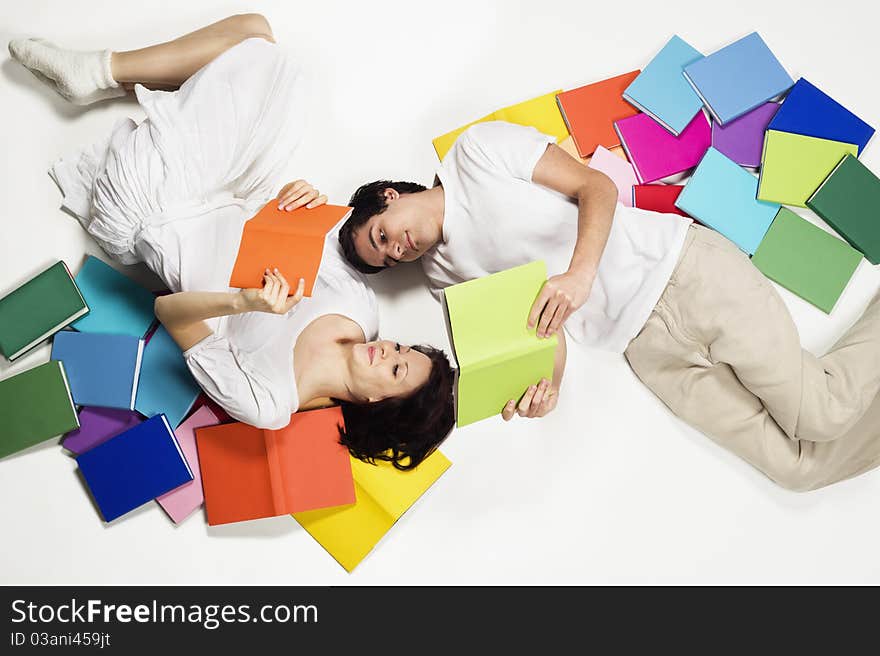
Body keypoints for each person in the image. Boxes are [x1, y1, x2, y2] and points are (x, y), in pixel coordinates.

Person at [9, 14, 455, 470]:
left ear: (379, 401)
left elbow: (168, 312)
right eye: (403, 350)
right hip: (232, 193)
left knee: (255, 51)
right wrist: (298, 201)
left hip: (158, 213)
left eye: (396, 369)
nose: (389, 351)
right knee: (265, 45)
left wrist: (242, 303)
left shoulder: (270, 402)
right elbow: (285, 231)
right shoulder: (362, 310)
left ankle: (105, 72)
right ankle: (110, 76)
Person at [337, 120, 880, 491]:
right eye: (386, 260)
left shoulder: (473, 154)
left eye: (382, 236)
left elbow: (595, 186)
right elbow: (543, 331)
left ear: (389, 197)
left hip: (683, 273)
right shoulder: (441, 277)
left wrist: (580, 272)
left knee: (822, 412)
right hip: (646, 349)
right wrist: (543, 388)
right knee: (798, 468)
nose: (396, 250)